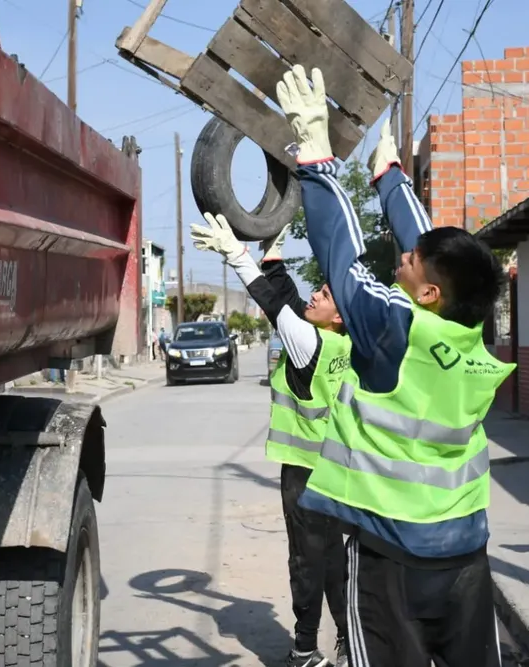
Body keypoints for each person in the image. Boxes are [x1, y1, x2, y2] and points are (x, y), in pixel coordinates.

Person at [275, 65, 515, 667]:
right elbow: (438, 253)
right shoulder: (472, 331)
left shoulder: (395, 328)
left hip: (389, 552)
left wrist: (317, 159)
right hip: (464, 550)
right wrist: (390, 181)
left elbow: (341, 256)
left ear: (429, 292)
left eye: (409, 262)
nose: (402, 259)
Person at [190, 214, 350, 667]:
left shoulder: (307, 342)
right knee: (335, 560)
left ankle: (303, 648)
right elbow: (292, 301)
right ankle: (348, 638)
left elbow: (274, 305)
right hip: (337, 468)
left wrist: (237, 255)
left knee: (306, 562)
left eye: (325, 293)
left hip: (304, 473)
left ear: (336, 315)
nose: (315, 293)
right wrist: (274, 256)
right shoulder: (341, 342)